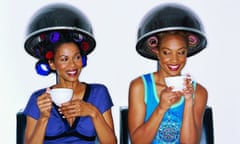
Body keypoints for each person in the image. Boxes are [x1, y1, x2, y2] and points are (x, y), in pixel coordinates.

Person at [23, 3, 117, 144]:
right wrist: (43, 117)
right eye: (64, 59)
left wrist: (93, 112)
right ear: (52, 64)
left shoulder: (99, 93)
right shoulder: (39, 99)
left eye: (77, 57)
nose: (72, 65)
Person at [128, 3, 208, 144]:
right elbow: (137, 142)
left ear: (186, 53)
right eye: (167, 52)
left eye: (181, 52)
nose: (174, 59)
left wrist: (189, 101)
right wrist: (161, 107)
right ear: (157, 52)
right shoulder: (139, 87)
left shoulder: (199, 92)